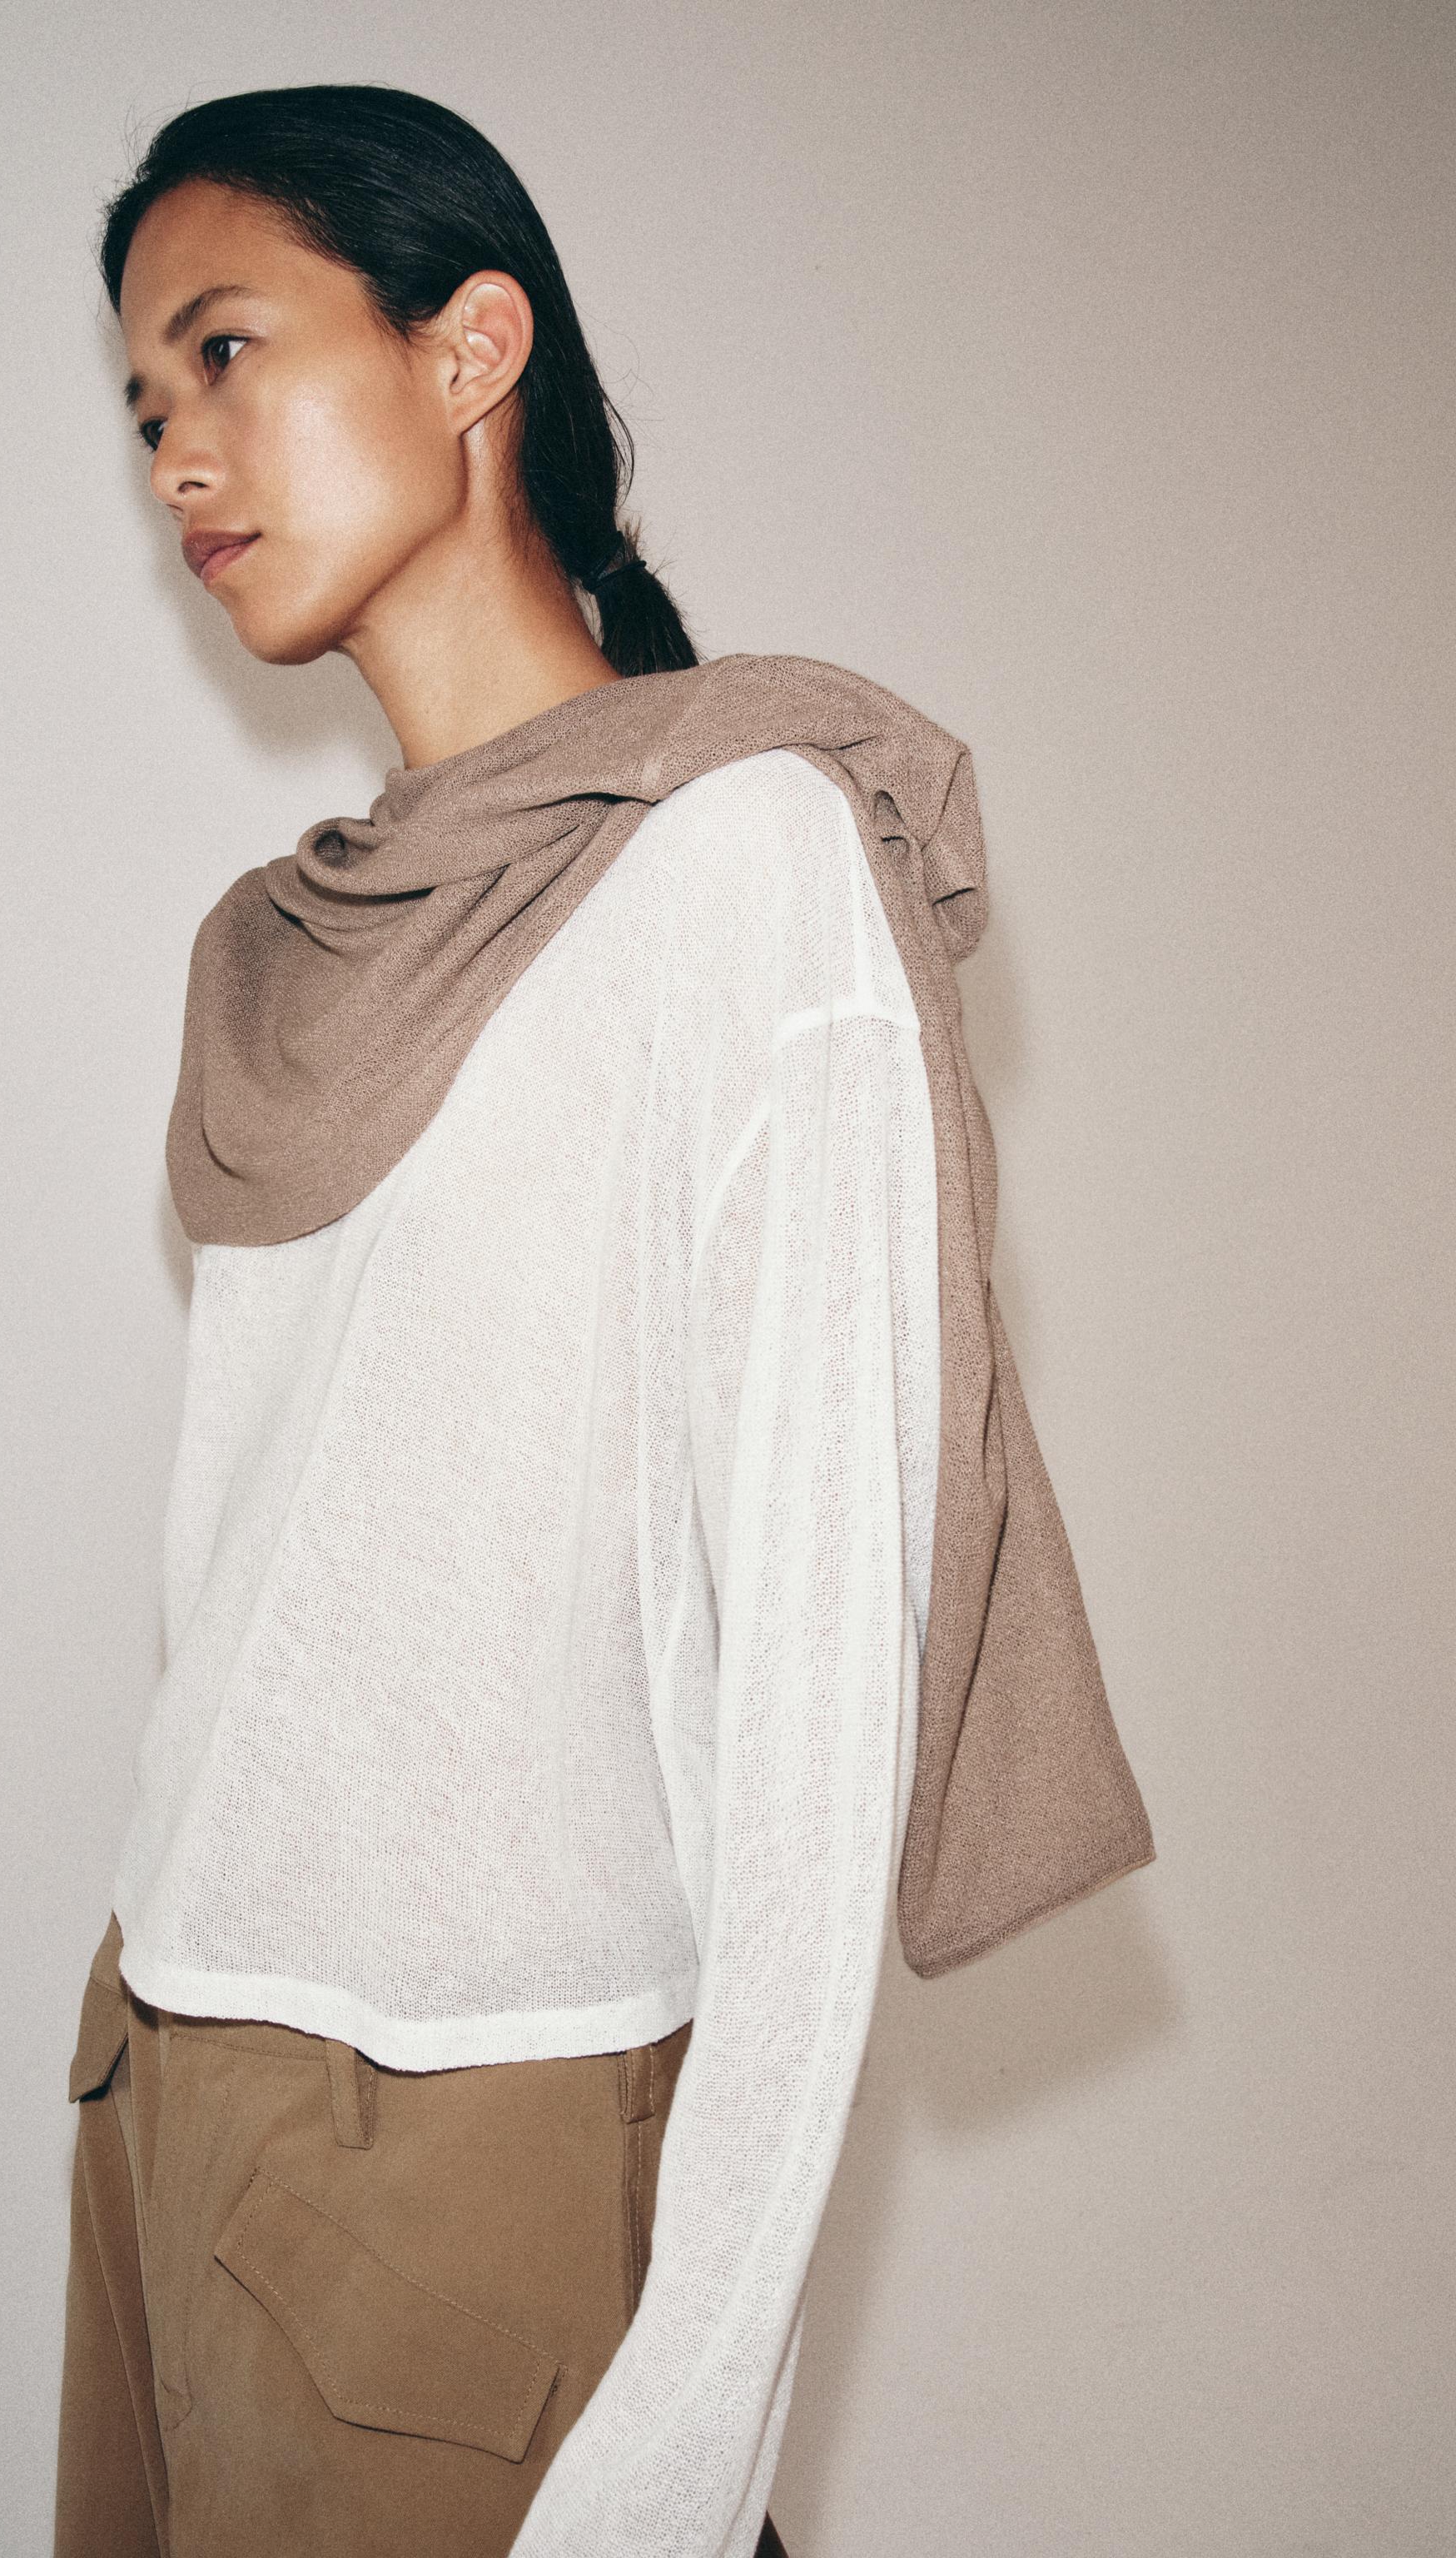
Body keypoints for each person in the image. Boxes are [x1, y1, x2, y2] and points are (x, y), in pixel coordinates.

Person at [56, 80, 1151, 2558]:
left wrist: (693, 2421)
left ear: (470, 349)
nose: (177, 458)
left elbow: (821, 1697)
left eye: (224, 351)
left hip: (469, 2128)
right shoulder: (279, 948)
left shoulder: (743, 868)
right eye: (140, 408)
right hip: (163, 2054)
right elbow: (257, 1579)